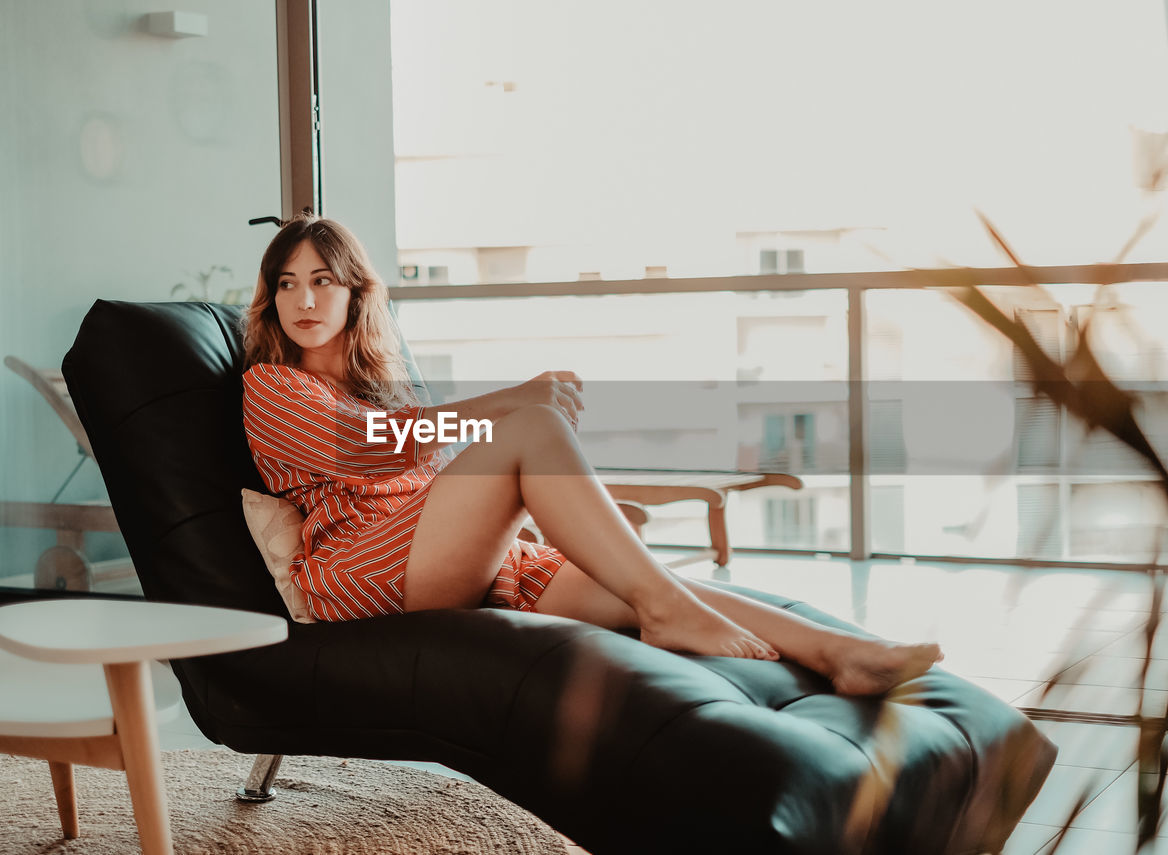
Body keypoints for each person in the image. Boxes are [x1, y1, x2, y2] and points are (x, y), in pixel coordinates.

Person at [241, 214, 942, 695]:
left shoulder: (377, 387)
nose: (304, 298)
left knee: (637, 581)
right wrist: (517, 404)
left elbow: (454, 455)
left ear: (355, 291)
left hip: (450, 558)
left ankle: (839, 654)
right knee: (537, 425)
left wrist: (552, 506)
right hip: (359, 570)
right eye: (288, 282)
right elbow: (375, 451)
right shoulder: (271, 386)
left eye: (322, 279)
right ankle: (666, 606)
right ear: (271, 299)